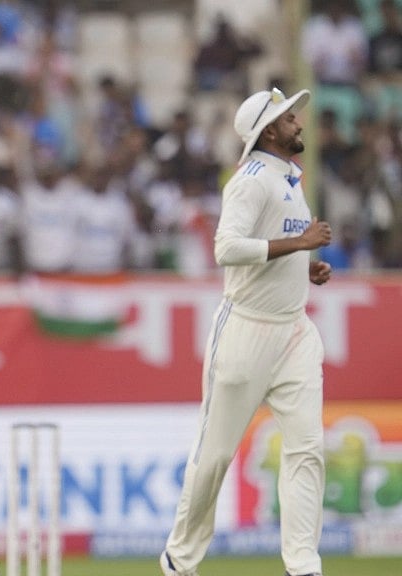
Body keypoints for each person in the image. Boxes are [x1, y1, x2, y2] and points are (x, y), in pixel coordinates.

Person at [160, 87, 332, 576]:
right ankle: (179, 559)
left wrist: (304, 266)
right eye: (289, 118)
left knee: (307, 449)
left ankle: (303, 564)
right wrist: (299, 243)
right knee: (215, 457)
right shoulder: (251, 181)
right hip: (246, 331)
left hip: (295, 331)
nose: (298, 122)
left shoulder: (289, 179)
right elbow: (227, 248)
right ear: (269, 130)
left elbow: (269, 247)